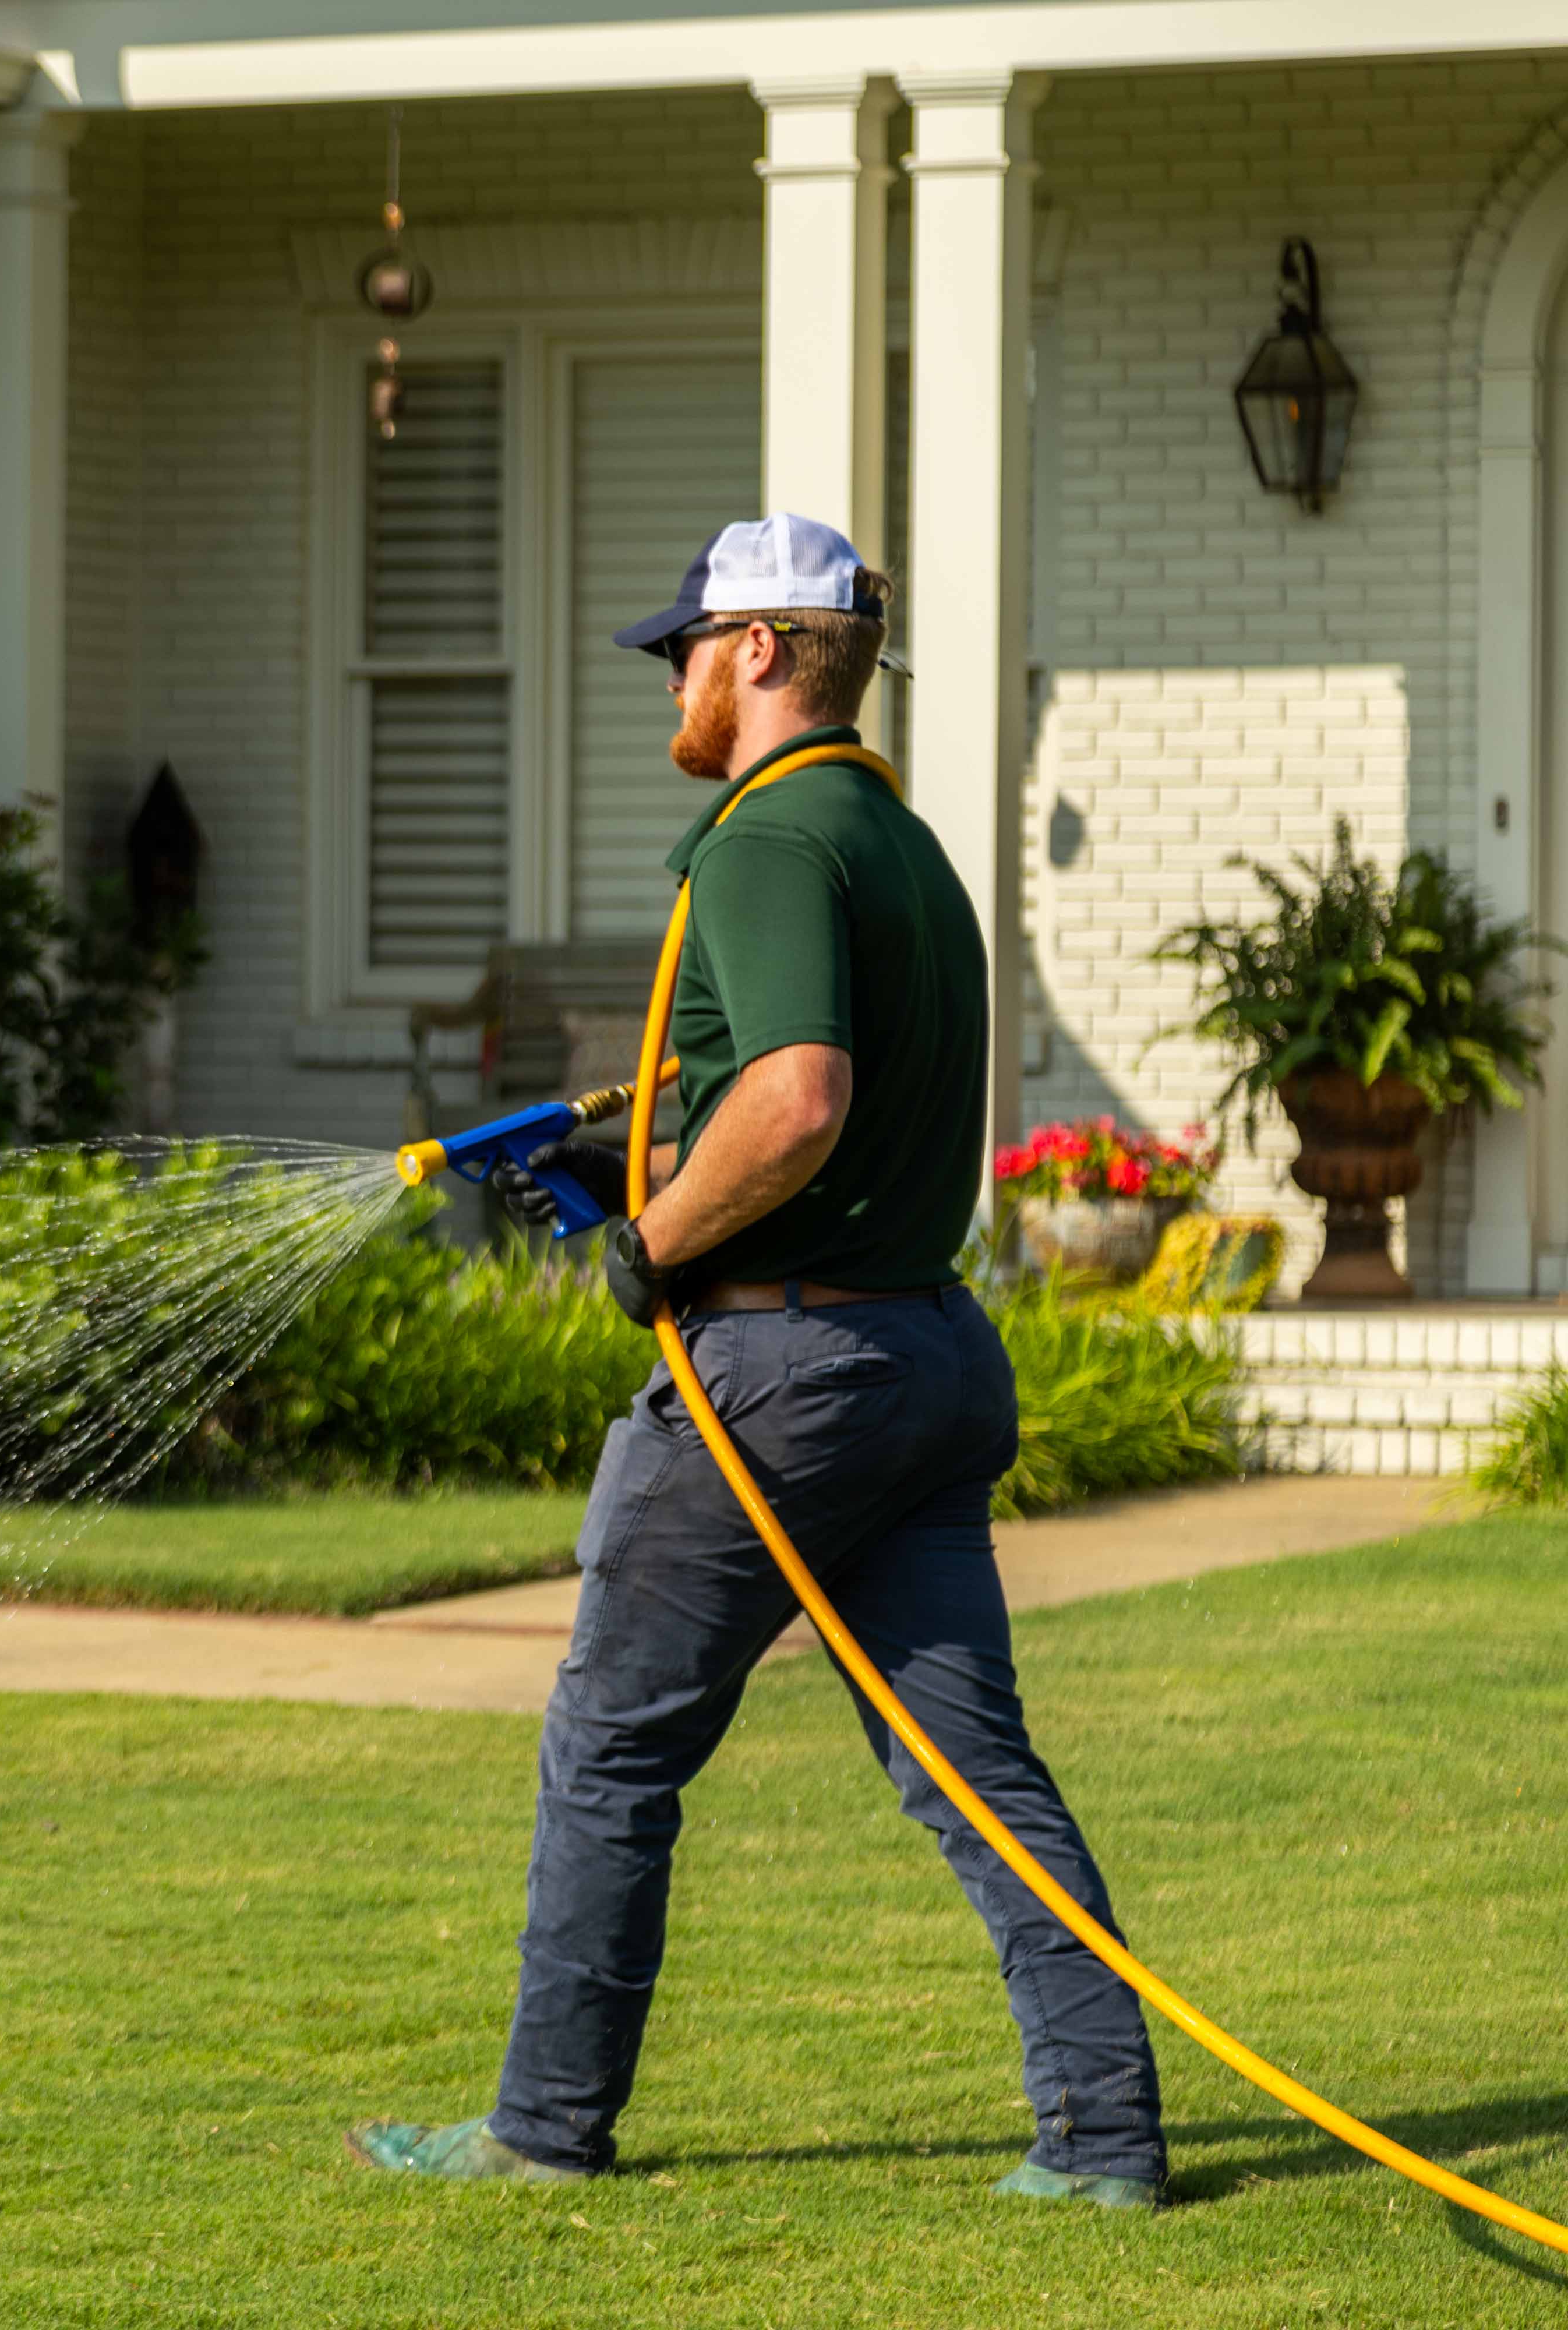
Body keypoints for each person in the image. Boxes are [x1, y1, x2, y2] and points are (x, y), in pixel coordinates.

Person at [344, 514, 1168, 2209]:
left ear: (768, 651)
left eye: (688, 647)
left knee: (612, 1744)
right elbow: (807, 1097)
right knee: (975, 1773)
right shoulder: (900, 842)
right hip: (925, 1355)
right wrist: (621, 1145)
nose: (675, 674)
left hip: (783, 1371)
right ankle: (1106, 2145)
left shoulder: (766, 841)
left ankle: (541, 2132)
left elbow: (800, 1099)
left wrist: (653, 1241)